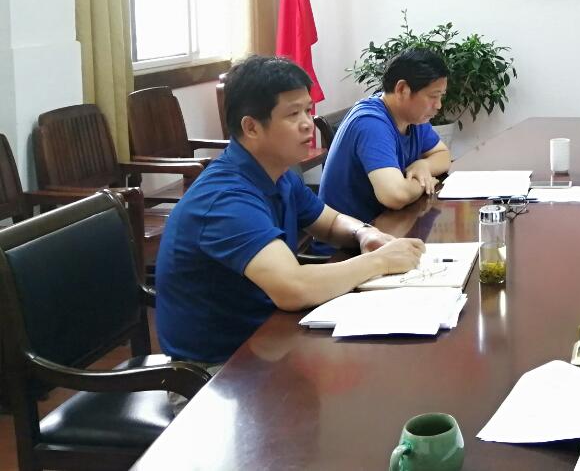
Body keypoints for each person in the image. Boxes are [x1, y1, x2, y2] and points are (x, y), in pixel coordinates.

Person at [155, 56, 426, 366]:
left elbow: (330, 222)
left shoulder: (279, 174)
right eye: (293, 113)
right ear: (251, 127)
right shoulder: (225, 199)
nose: (308, 123)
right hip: (220, 369)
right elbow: (293, 288)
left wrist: (364, 233)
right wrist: (381, 261)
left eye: (308, 110)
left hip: (271, 337)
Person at [319, 49, 452, 224]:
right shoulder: (371, 123)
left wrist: (423, 165)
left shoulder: (412, 118)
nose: (439, 105)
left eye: (441, 96)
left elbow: (443, 154)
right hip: (348, 237)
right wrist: (425, 183)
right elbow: (395, 196)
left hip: (384, 226)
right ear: (402, 89)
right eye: (433, 96)